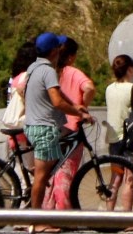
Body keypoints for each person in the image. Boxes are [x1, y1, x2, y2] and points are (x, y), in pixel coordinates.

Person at [23, 32, 93, 228]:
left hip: (35, 124)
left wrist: (76, 106)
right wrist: (78, 113)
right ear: (55, 50)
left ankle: (47, 217)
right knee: (41, 176)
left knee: (46, 173)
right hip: (44, 127)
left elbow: (58, 93)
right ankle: (36, 223)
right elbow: (56, 101)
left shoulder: (34, 67)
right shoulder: (47, 71)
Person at [45, 37, 95, 210]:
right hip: (71, 127)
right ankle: (64, 212)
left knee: (50, 172)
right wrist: (83, 107)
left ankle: (47, 211)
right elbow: (89, 87)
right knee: (66, 171)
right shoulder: (73, 72)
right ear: (72, 56)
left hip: (50, 125)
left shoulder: (49, 72)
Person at [104, 54, 133, 211]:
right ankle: (128, 217)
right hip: (131, 140)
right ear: (129, 69)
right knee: (130, 179)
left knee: (115, 178)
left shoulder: (109, 89)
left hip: (113, 138)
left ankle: (109, 215)